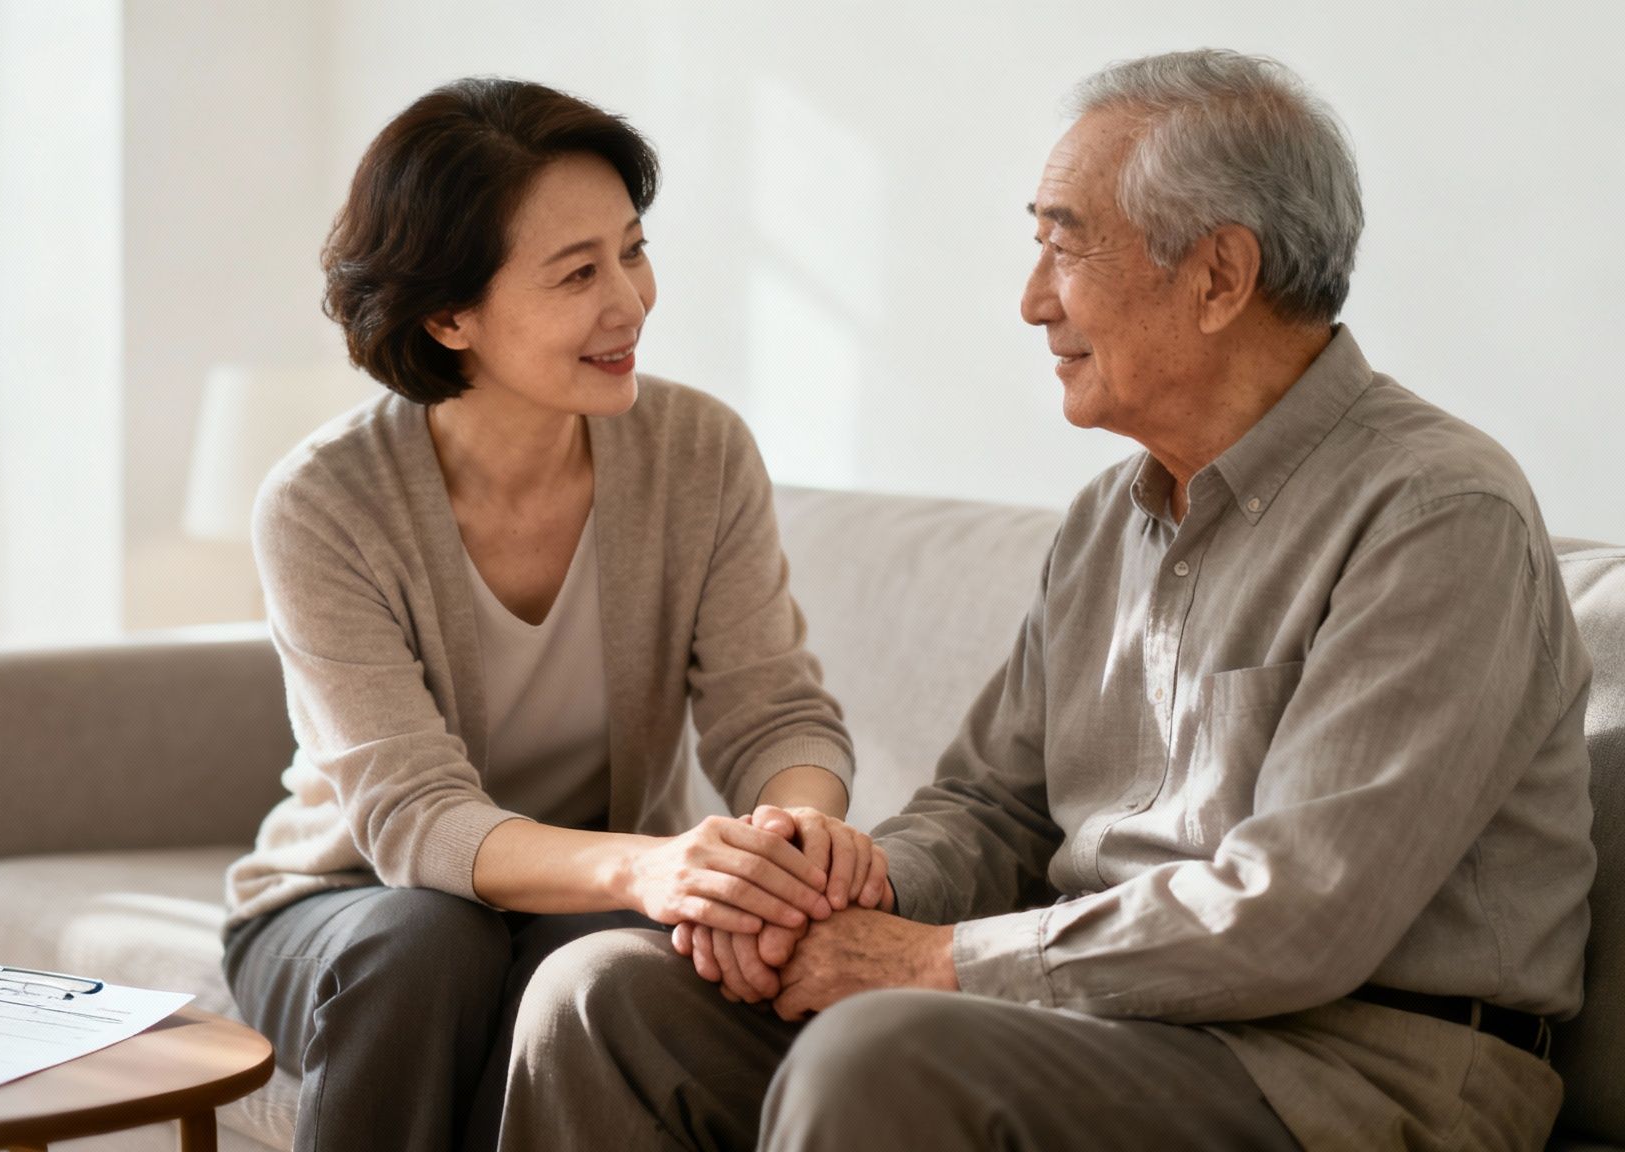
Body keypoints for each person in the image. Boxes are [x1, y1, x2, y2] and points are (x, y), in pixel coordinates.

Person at [499, 49, 1596, 1152]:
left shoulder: (1435, 514)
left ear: (1218, 276)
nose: (1030, 302)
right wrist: (838, 887)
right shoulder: (1105, 522)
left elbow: (1299, 916)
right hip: (1104, 1023)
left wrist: (932, 961)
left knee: (882, 1055)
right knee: (603, 996)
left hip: (1353, 1062)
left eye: (1064, 243)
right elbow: (995, 811)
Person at [219, 77, 888, 1152]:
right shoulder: (324, 502)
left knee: (595, 971)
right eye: (577, 273)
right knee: (431, 944)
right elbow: (411, 821)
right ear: (449, 316)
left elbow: (773, 717)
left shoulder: (697, 452)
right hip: (347, 908)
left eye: (631, 249)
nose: (628, 301)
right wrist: (648, 865)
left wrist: (790, 834)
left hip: (581, 904)